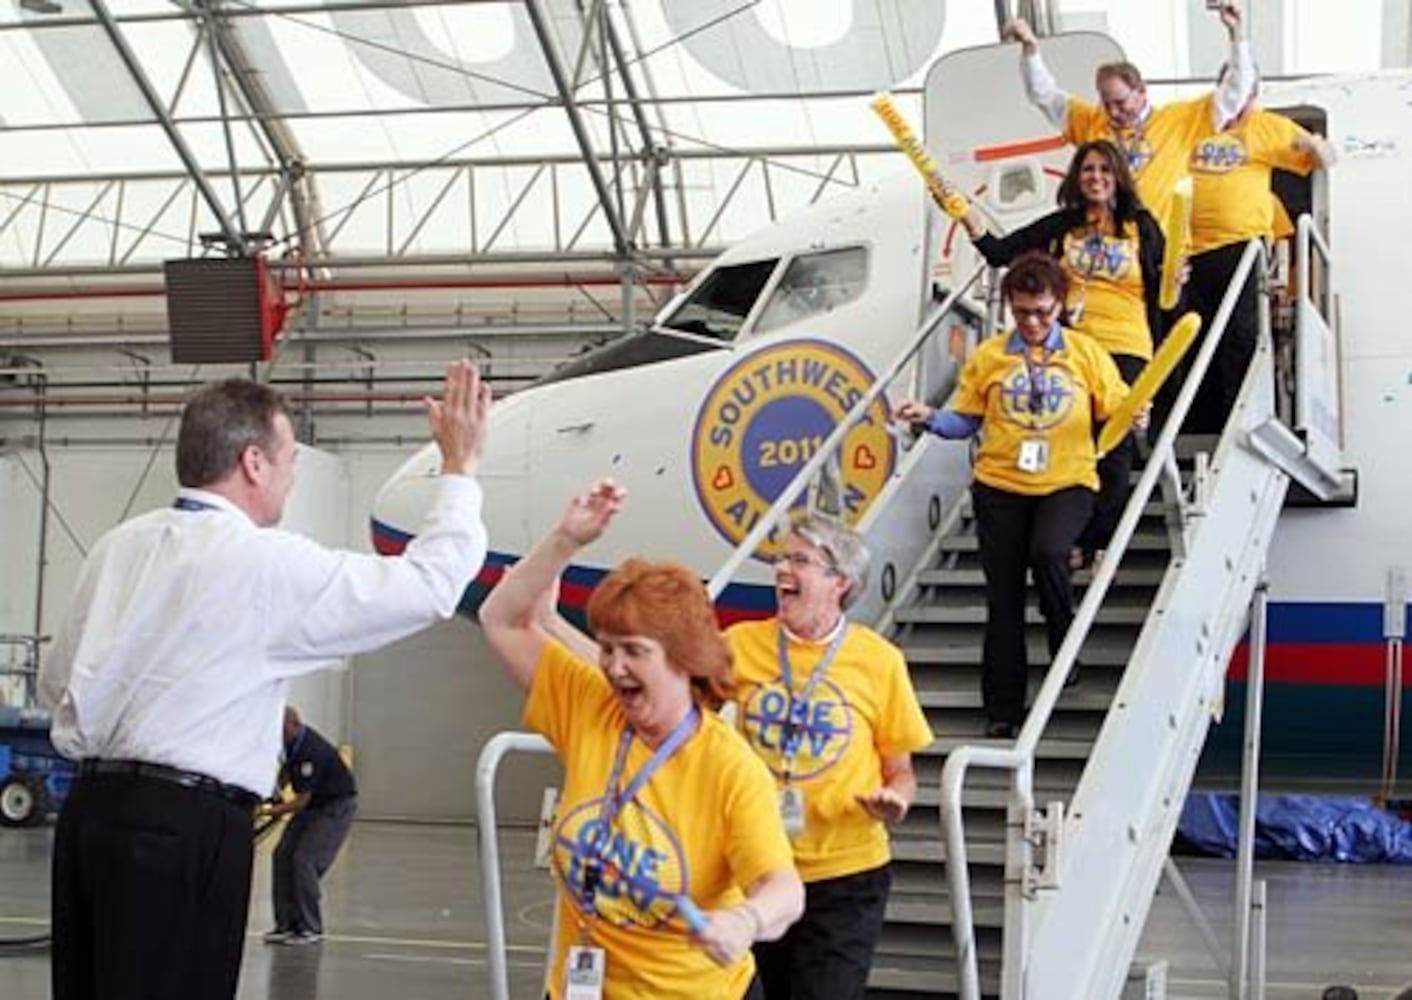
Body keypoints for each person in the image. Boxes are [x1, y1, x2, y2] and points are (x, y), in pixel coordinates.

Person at [39, 360, 491, 1000]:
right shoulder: (262, 564)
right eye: (289, 463)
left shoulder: (118, 548)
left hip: (89, 817)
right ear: (254, 462)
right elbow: (429, 584)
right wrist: (459, 471)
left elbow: (55, 685)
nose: (289, 478)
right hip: (184, 828)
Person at [478, 479, 804, 1000]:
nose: (612, 666)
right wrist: (566, 541)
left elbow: (785, 889)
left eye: (632, 651)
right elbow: (499, 620)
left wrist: (745, 920)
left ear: (684, 657)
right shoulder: (592, 705)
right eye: (607, 649)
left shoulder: (728, 767)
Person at [893, 252, 1132, 738]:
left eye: (1043, 312)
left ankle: (1065, 644)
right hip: (1000, 487)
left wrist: (1136, 414)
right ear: (1009, 309)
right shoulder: (991, 357)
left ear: (1059, 305)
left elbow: (1115, 409)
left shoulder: (1085, 353)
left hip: (1067, 481)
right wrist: (930, 418)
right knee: (1003, 603)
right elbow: (966, 420)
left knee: (1049, 555)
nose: (1033, 322)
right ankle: (1003, 711)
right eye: (1022, 313)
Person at [724, 513, 933, 1000]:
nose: (782, 571)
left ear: (840, 581)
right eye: (780, 558)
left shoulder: (878, 661)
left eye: (800, 560)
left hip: (845, 876)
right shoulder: (738, 646)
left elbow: (901, 771)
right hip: (756, 867)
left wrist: (895, 799)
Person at [952, 139, 1163, 567]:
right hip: (1071, 346)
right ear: (1076, 178)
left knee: (1115, 447)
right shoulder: (1064, 225)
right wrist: (963, 215)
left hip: (1127, 345)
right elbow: (1000, 253)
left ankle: (1099, 541)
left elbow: (1166, 292)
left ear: (1119, 176)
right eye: (1088, 170)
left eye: (1105, 169)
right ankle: (1069, 540)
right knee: (1073, 441)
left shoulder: (1142, 226)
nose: (1096, 178)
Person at [1008, 5, 1255, 233]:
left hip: (1159, 251)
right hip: (1107, 249)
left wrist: (1236, 34)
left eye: (1121, 103)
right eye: (1107, 104)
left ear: (1141, 92)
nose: (1114, 112)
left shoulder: (1179, 120)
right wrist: (1030, 50)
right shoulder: (1091, 121)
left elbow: (1235, 93)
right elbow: (1044, 94)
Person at [1179, 75, 1336, 433]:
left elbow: (1327, 160)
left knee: (1240, 335)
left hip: (1242, 248)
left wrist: (1312, 142)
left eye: (1247, 93)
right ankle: (1197, 422)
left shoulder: (1266, 128)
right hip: (1189, 252)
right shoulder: (1192, 122)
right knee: (1194, 337)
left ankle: (1240, 416)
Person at [261, 706, 359, 946]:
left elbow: (301, 801)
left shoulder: (310, 750)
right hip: (313, 804)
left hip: (334, 805)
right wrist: (268, 794)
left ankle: (310, 927)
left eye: (280, 729)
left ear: (295, 725)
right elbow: (286, 771)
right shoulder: (289, 743)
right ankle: (285, 924)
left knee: (304, 859)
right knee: (282, 854)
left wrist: (267, 812)